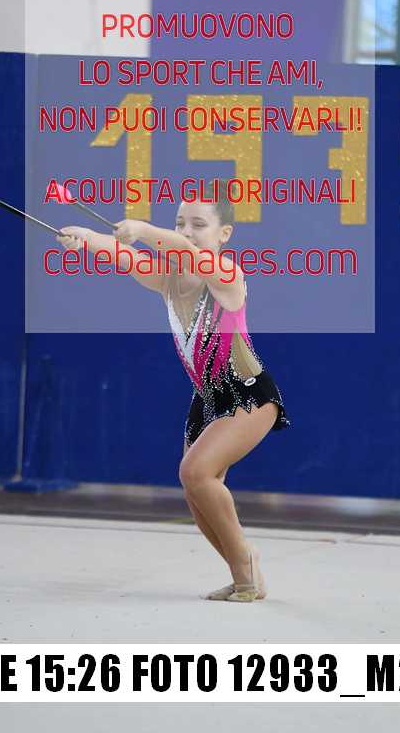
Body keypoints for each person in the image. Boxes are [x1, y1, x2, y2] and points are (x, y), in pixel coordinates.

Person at [57, 179, 290, 602]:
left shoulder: (227, 275)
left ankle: (246, 568)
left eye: (199, 224)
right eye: (180, 223)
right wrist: (88, 238)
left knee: (194, 472)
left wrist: (145, 230)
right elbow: (128, 257)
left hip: (247, 395)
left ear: (224, 234)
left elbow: (184, 252)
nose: (186, 232)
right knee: (197, 491)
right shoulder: (169, 280)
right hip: (208, 400)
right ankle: (244, 569)